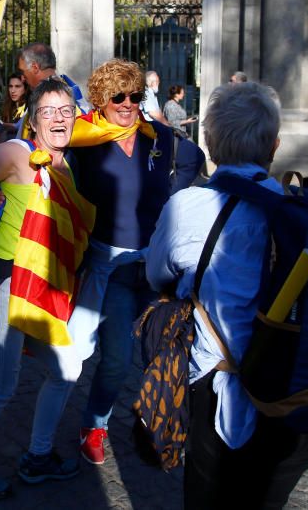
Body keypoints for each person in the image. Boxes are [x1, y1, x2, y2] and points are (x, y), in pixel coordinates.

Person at [146, 81, 308, 508]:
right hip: (286, 387)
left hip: (212, 378)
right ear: (273, 146)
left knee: (205, 494)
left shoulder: (187, 206)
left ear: (211, 143)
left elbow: (155, 274)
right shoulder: (300, 211)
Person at [0, 64, 94, 500]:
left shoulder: (70, 163)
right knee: (1, 384)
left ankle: (37, 455)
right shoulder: (16, 154)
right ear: (33, 120)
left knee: (67, 367)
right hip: (7, 281)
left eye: (67, 110)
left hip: (47, 287)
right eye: (49, 112)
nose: (60, 118)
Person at [68, 59, 174, 465]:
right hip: (110, 267)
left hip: (154, 265)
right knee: (115, 358)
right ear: (100, 99)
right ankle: (94, 424)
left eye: (134, 95)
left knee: (161, 354)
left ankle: (161, 419)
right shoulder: (85, 143)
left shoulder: (157, 137)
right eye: (118, 96)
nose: (127, 103)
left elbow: (192, 161)